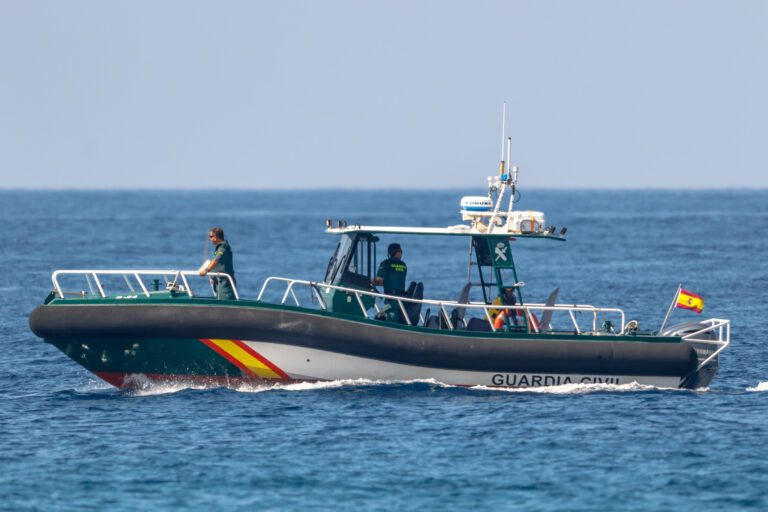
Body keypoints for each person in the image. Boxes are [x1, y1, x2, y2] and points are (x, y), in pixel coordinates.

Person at [200, 227, 237, 300]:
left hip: (225, 283)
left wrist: (206, 270)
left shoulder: (223, 248)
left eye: (210, 236)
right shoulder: (219, 247)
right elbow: (216, 263)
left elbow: (216, 261)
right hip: (219, 282)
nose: (210, 239)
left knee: (226, 302)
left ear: (215, 237)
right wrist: (212, 276)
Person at [375, 243, 407, 321]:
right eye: (401, 250)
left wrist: (368, 281)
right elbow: (391, 281)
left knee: (391, 321)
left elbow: (380, 279)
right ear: (398, 252)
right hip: (402, 299)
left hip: (391, 300)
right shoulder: (403, 265)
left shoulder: (386, 264)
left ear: (390, 253)